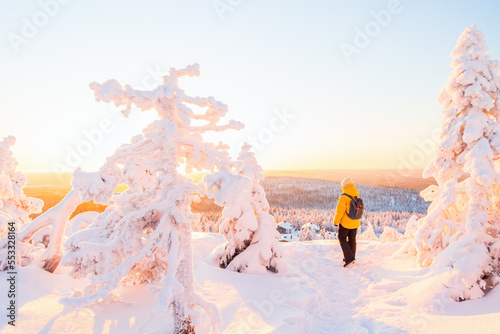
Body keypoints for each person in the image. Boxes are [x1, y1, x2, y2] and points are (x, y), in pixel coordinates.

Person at [334, 177, 360, 268]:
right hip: (355, 222)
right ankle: (351, 257)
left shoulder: (343, 197)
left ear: (344, 186)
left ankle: (349, 258)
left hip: (345, 223)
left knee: (342, 238)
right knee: (352, 238)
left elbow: (340, 211)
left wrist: (336, 221)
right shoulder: (356, 195)